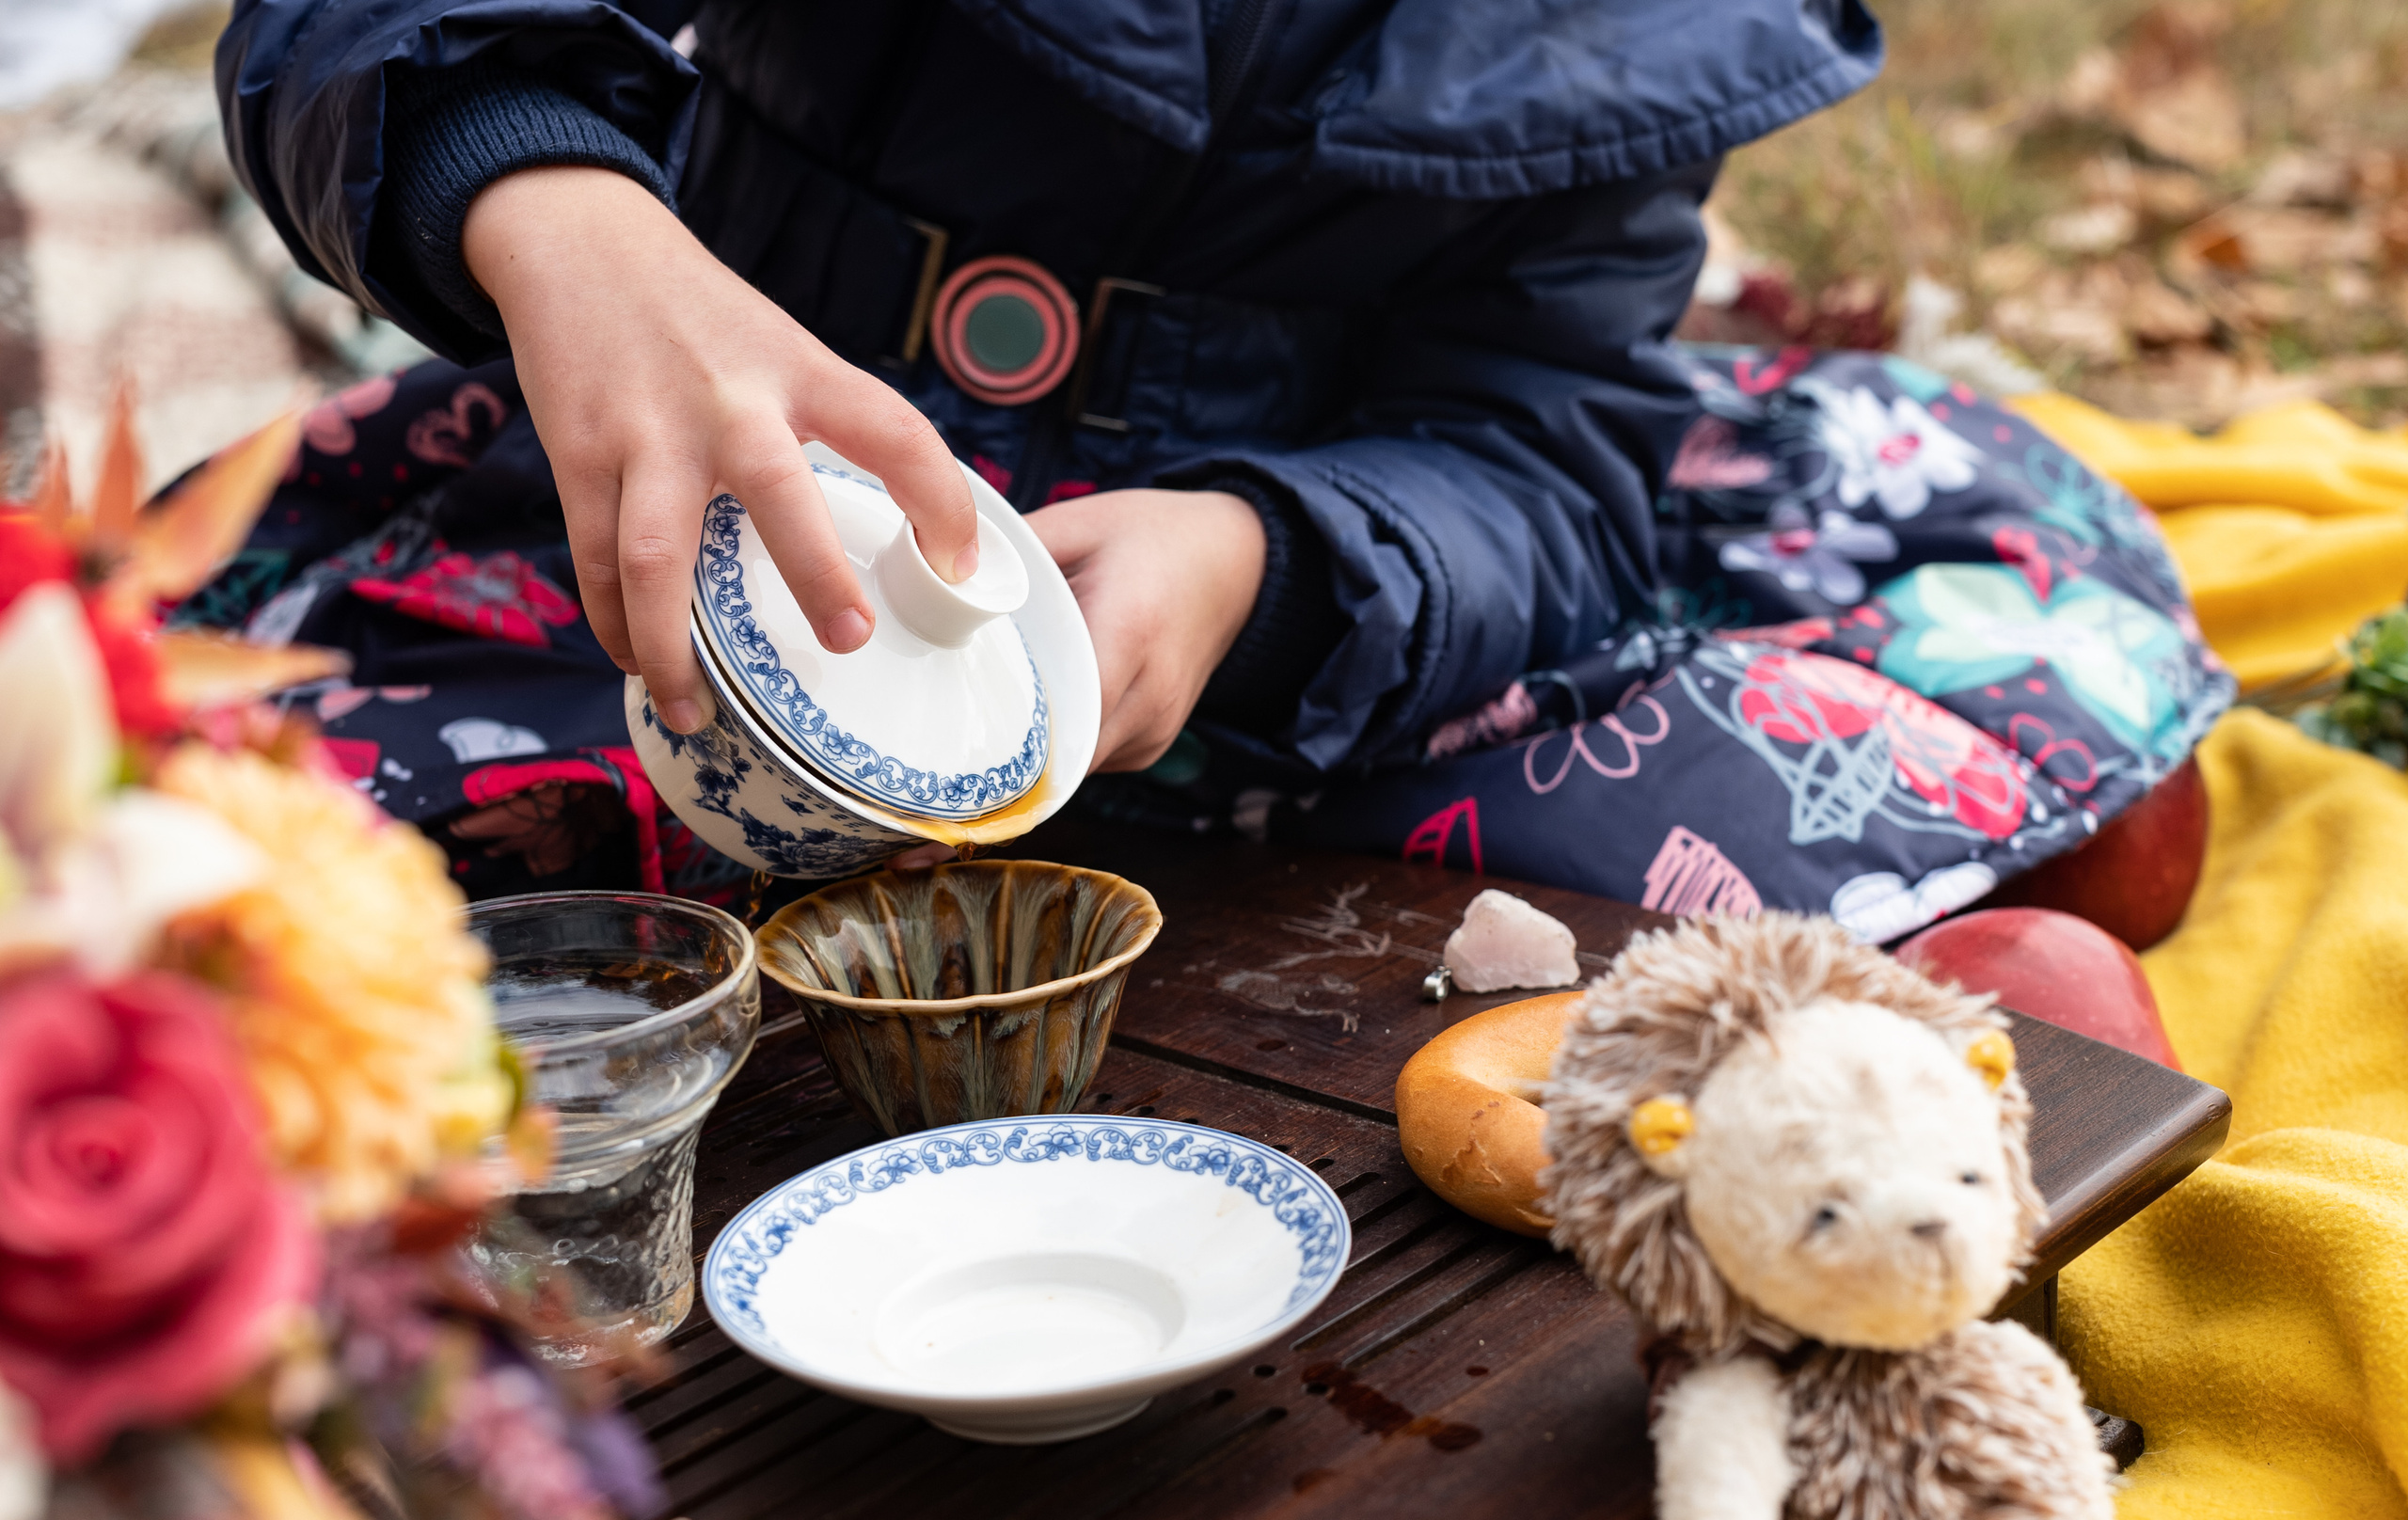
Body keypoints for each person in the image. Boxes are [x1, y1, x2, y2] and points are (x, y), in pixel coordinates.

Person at [202, 0, 2230, 935]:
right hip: (672, 510)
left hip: (1294, 665)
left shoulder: (1629, 32)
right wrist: (557, 216)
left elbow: (1539, 441)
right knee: (238, 853)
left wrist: (1269, 556)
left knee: (1807, 777)